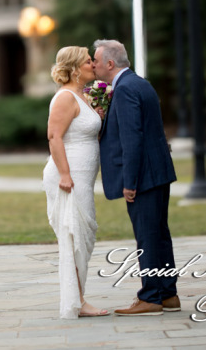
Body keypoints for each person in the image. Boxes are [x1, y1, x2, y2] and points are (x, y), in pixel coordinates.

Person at [92, 39, 179, 316]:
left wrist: (130, 183)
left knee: (147, 237)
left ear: (109, 63)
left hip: (144, 176)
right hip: (157, 171)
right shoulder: (139, 83)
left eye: (96, 60)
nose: (93, 65)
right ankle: (167, 294)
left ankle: (151, 296)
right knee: (159, 235)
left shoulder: (126, 89)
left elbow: (132, 139)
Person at [42, 45, 109, 318]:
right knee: (75, 236)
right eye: (88, 61)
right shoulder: (65, 98)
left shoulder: (82, 96)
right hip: (68, 176)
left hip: (83, 175)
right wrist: (66, 175)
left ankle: (78, 297)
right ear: (73, 68)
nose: (93, 64)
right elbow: (54, 137)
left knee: (85, 235)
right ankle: (77, 302)